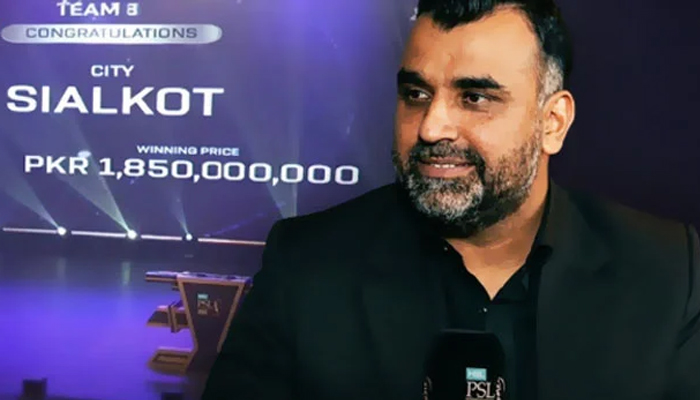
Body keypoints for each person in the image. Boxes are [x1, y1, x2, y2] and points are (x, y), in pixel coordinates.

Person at [202, 0, 700, 399]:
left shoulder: (668, 270)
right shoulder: (307, 264)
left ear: (553, 123)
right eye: (416, 94)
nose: (431, 127)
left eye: (474, 97)